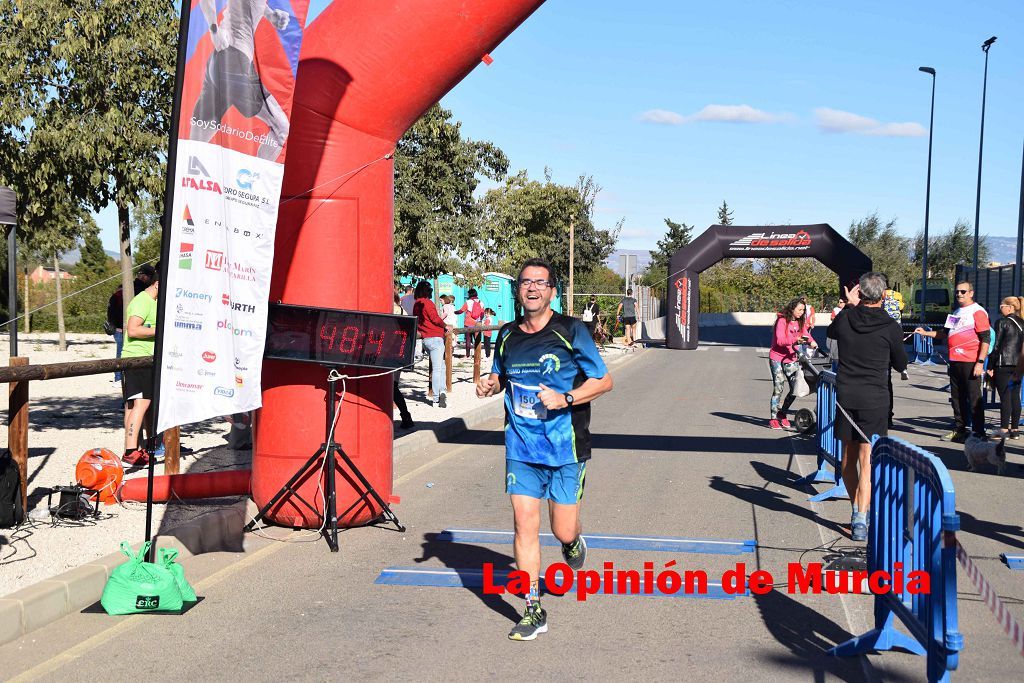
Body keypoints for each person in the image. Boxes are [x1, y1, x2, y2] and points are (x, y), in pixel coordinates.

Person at [476, 258, 613, 641]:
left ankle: (572, 543)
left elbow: (604, 381)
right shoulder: (506, 335)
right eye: (525, 282)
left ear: (552, 290)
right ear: (517, 290)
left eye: (540, 282)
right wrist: (489, 384)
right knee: (524, 523)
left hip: (565, 446)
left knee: (561, 528)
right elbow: (500, 374)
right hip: (521, 446)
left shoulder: (571, 331)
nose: (532, 288)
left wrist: (566, 397)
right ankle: (533, 608)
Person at [828, 273, 908, 542]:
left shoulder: (847, 318)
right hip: (875, 398)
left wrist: (849, 306)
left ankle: (856, 509)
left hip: (846, 395)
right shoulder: (890, 326)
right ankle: (862, 516)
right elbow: (900, 364)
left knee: (847, 460)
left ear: (859, 294)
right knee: (867, 460)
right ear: (884, 296)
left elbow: (831, 332)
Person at [192, 0, 292, 160]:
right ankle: (255, 183)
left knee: (195, 146)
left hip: (219, 61)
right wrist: (213, 30)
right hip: (236, 63)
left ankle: (184, 177)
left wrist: (271, 15)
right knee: (281, 128)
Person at [915, 281, 991, 442]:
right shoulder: (955, 312)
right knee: (957, 398)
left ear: (971, 293)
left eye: (963, 292)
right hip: (954, 361)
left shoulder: (978, 312)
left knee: (974, 398)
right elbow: (944, 333)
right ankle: (960, 429)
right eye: (957, 292)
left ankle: (979, 432)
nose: (959, 295)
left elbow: (986, 338)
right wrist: (925, 333)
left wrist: (980, 362)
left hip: (971, 362)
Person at [121, 266, 161, 466]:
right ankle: (130, 451)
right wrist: (159, 330)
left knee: (133, 404)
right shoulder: (142, 301)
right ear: (157, 284)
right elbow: (133, 330)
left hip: (142, 358)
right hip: (138, 358)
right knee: (142, 403)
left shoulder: (152, 301)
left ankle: (133, 448)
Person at [768, 298, 815, 430]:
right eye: (799, 310)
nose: (801, 312)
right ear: (792, 308)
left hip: (791, 358)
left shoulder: (800, 322)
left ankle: (782, 413)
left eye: (803, 310)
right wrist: (796, 339)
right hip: (777, 358)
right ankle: (773, 417)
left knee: (795, 388)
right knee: (779, 387)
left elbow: (806, 334)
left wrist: (811, 342)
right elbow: (780, 341)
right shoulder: (782, 321)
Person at [989, 297, 1024, 439]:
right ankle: (1015, 430)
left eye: (1002, 305)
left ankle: (1003, 429)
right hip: (1018, 364)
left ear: (1010, 308)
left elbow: (996, 346)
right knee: (1015, 396)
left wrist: (990, 365)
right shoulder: (1022, 323)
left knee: (1005, 397)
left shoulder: (1002, 322)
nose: (1000, 308)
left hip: (1003, 363)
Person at [413, 281, 450, 408]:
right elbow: (435, 318)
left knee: (441, 366)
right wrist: (445, 326)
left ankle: (442, 391)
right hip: (435, 338)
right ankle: (436, 398)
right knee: (438, 369)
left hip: (425, 339)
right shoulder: (428, 303)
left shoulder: (416, 304)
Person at [392, 293, 414, 429]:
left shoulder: (386, 309)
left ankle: (406, 417)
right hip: (398, 351)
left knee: (391, 388)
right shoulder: (402, 311)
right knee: (393, 386)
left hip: (385, 352)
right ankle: (406, 417)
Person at [456, 288, 485, 358]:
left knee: (468, 340)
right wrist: (479, 320)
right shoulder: (481, 302)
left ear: (470, 294)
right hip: (477, 324)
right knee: (477, 339)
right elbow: (482, 314)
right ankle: (477, 354)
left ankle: (468, 355)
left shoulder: (468, 302)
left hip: (468, 323)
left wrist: (454, 312)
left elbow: (461, 311)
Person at [106, 286, 125, 384]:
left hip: (118, 329)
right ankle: (118, 378)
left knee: (120, 353)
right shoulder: (119, 297)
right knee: (121, 353)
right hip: (121, 329)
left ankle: (118, 378)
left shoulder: (114, 297)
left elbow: (110, 314)